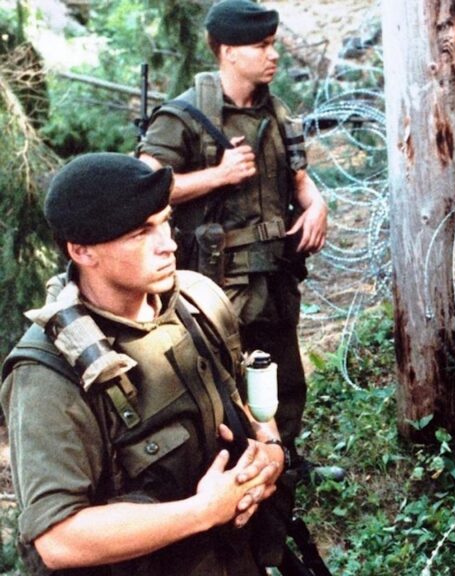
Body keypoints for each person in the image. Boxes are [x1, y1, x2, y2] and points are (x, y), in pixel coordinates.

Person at [1, 153, 287, 574]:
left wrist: (271, 451)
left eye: (165, 220)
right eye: (140, 233)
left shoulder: (200, 300)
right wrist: (201, 512)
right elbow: (58, 538)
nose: (168, 243)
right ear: (82, 251)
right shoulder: (49, 374)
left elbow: (244, 405)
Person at [137, 0, 327, 470]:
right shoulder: (183, 117)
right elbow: (144, 190)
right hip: (215, 281)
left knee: (281, 374)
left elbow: (301, 180)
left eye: (273, 44)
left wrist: (318, 204)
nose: (274, 55)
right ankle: (228, 469)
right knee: (220, 380)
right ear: (226, 51)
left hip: (275, 272)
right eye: (261, 46)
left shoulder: (276, 112)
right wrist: (218, 176)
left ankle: (286, 460)